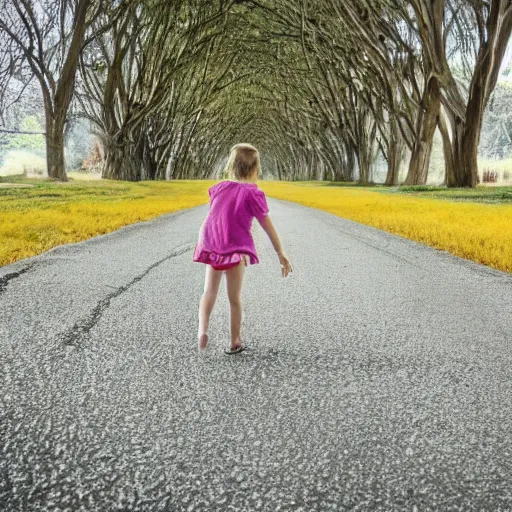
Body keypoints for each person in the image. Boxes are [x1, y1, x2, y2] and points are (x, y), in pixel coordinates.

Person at [193, 143, 293, 354]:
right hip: (235, 249)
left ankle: (202, 331)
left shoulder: (219, 188)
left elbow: (220, 215)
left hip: (213, 245)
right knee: (234, 298)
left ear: (231, 166)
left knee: (209, 292)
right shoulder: (252, 193)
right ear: (256, 170)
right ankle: (235, 340)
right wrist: (280, 252)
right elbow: (267, 225)